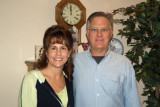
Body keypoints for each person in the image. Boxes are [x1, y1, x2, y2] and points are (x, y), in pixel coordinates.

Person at [73, 11, 141, 107]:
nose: (99, 34)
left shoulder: (124, 64)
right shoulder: (73, 63)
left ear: (111, 33)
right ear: (87, 33)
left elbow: (133, 103)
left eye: (104, 29)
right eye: (94, 29)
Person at [19, 25, 74, 107]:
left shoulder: (68, 79)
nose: (58, 53)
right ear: (46, 52)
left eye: (63, 48)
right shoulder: (32, 79)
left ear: (69, 53)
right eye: (53, 48)